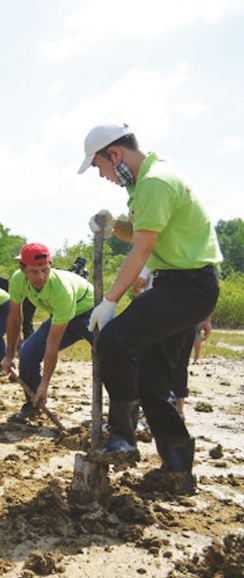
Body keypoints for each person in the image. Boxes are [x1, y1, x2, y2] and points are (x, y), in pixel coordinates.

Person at [81, 123, 222, 490]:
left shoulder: (155, 183)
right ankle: (177, 471)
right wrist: (114, 227)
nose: (103, 176)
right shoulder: (149, 183)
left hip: (183, 288)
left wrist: (110, 301)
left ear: (116, 155)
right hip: (187, 287)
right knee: (153, 384)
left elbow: (142, 249)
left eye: (101, 167)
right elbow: (151, 233)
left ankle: (123, 436)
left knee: (113, 339)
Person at [1, 243, 94, 421]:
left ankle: (124, 416)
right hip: (60, 315)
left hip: (89, 312)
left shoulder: (62, 289)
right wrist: (9, 355)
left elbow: (53, 344)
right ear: (22, 269)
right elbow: (14, 320)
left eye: (45, 269)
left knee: (111, 354)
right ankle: (33, 404)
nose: (41, 276)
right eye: (34, 272)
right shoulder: (17, 280)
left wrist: (45, 383)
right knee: (28, 353)